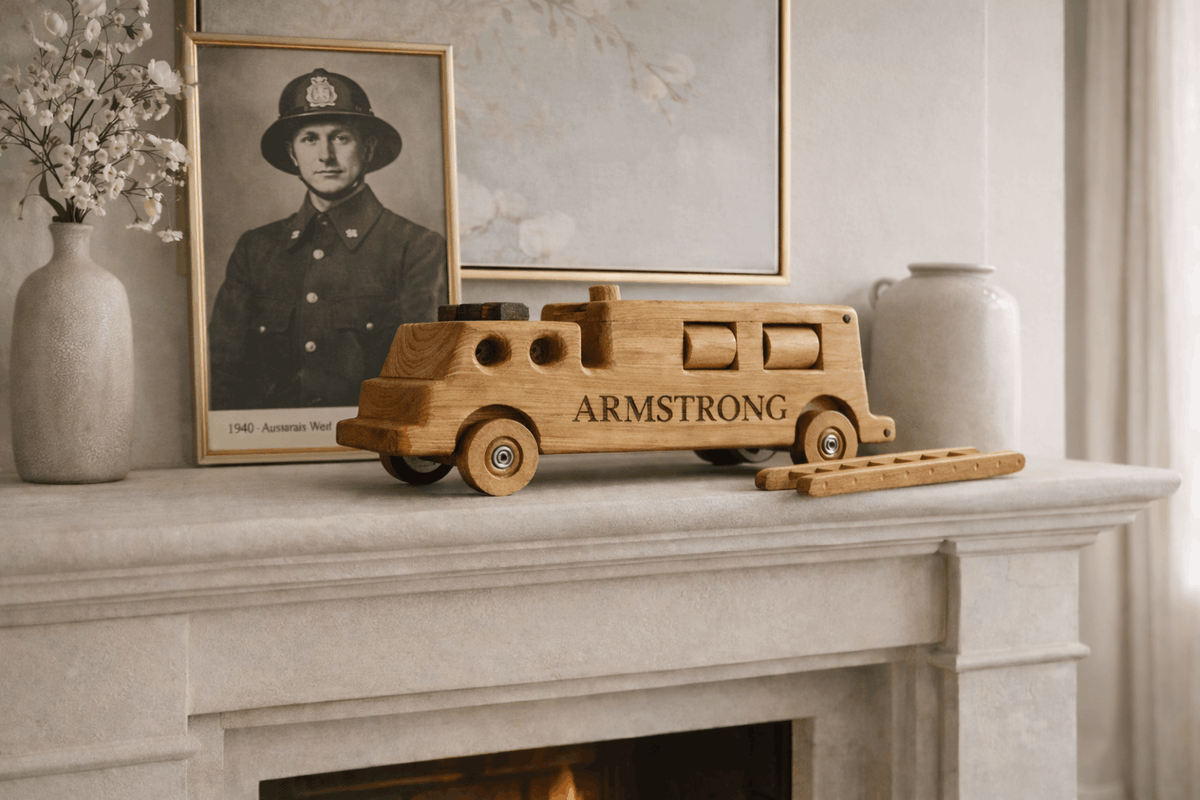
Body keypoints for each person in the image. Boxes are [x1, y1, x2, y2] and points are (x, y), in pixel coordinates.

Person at [208, 68, 448, 410]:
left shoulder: (418, 248)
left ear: (368, 148)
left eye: (340, 138)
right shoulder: (256, 249)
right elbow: (223, 375)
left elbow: (425, 378)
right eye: (309, 138)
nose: (325, 156)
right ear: (292, 154)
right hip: (270, 448)